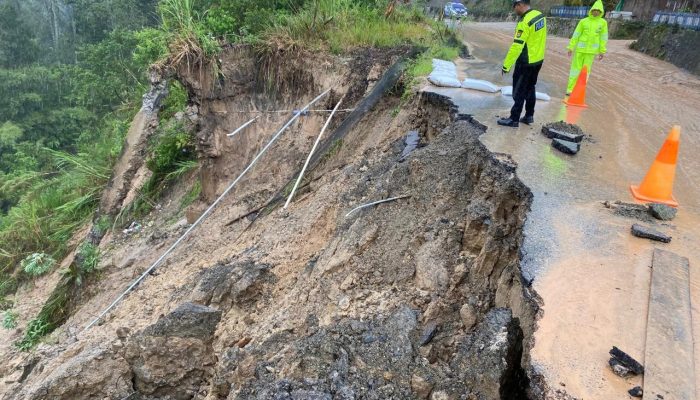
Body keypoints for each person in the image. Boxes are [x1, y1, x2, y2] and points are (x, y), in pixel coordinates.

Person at [498, 0, 547, 128]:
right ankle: (529, 116)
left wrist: (506, 65)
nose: (514, 10)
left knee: (519, 90)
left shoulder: (524, 21)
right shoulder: (540, 16)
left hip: (525, 62)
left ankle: (514, 119)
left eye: (514, 7)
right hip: (538, 60)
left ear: (520, 5)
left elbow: (516, 46)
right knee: (530, 88)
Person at [566, 0, 608, 96]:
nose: (596, 11)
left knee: (585, 72)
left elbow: (603, 38)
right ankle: (570, 89)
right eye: (595, 9)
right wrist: (571, 47)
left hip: (591, 52)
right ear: (591, 10)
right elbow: (576, 34)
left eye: (598, 10)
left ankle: (579, 91)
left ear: (601, 12)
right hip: (580, 50)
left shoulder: (603, 23)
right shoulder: (583, 21)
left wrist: (602, 51)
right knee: (574, 71)